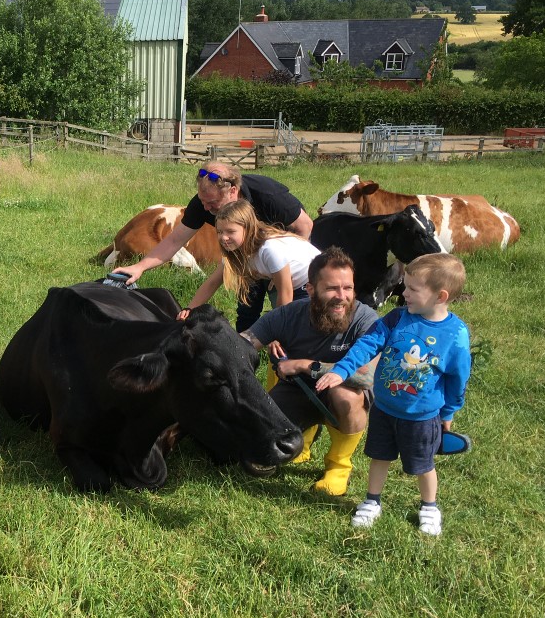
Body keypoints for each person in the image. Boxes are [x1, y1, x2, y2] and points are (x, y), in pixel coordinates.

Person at [316, 253, 471, 536]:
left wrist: (448, 413)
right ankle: (372, 501)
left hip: (423, 417)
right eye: (405, 285)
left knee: (424, 464)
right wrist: (342, 369)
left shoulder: (456, 334)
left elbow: (457, 379)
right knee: (380, 456)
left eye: (412, 289)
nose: (404, 292)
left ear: (440, 296)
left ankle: (429, 506)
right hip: (385, 409)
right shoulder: (397, 318)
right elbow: (368, 343)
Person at [241, 247, 379, 495]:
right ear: (311, 289)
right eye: (331, 289)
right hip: (298, 390)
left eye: (347, 288)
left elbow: (365, 376)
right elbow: (241, 345)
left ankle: (338, 466)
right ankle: (301, 442)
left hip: (345, 392)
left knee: (345, 395)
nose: (341, 296)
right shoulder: (287, 314)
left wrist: (303, 365)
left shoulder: (367, 320)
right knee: (255, 454)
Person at [113, 160, 314, 331]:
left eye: (213, 204)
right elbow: (175, 241)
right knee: (247, 307)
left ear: (233, 191)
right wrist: (139, 267)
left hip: (293, 268)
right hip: (250, 255)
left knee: (291, 316)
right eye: (203, 202)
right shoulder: (206, 208)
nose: (207, 209)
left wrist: (280, 274)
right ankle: (246, 352)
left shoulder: (267, 195)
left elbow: (305, 226)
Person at [177, 200, 320, 322]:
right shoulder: (238, 251)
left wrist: (280, 331)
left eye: (230, 231)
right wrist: (190, 309)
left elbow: (285, 294)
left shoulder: (269, 250)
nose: (223, 238)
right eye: (220, 232)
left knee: (295, 331)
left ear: (248, 229)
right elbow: (212, 282)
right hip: (294, 284)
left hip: (313, 282)